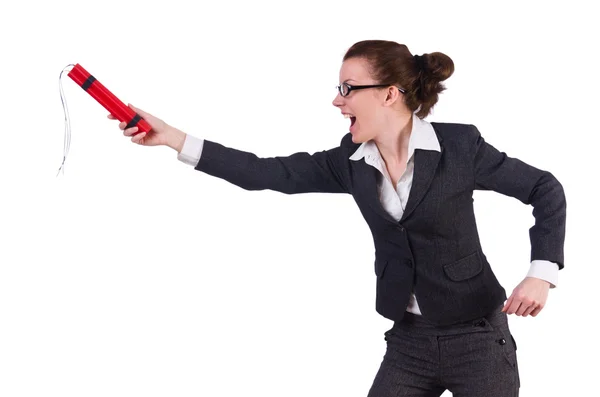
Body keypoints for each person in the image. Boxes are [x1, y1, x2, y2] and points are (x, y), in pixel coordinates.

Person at [108, 40, 566, 397]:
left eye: (348, 88)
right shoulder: (349, 162)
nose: (337, 100)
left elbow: (544, 189)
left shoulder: (460, 147)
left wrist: (540, 273)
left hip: (478, 338)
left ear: (389, 94)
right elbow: (267, 172)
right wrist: (172, 138)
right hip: (409, 341)